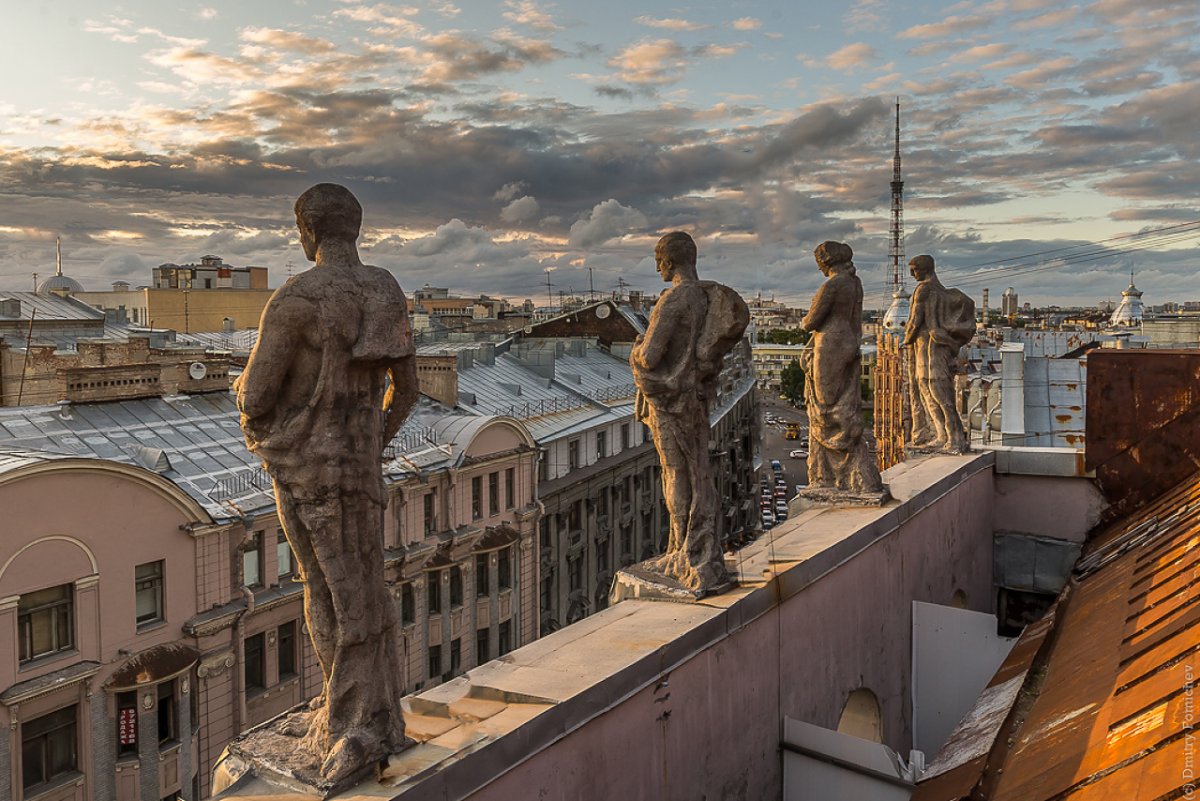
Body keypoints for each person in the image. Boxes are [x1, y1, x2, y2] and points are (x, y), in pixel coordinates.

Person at [235, 183, 416, 782]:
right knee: (365, 582)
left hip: (308, 472)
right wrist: (376, 442)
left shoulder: (296, 300)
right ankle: (375, 713)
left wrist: (239, 392)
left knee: (328, 589)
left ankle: (350, 724)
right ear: (355, 230)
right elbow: (408, 391)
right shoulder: (385, 288)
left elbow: (259, 396)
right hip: (361, 468)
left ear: (305, 231)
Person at [630, 231, 747, 594]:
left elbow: (650, 356)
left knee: (676, 472)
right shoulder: (703, 296)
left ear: (671, 260)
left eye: (658, 258)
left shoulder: (673, 301)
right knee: (696, 470)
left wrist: (634, 350)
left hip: (669, 400)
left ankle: (683, 550)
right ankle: (693, 548)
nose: (656, 265)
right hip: (693, 397)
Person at [800, 241, 884, 494]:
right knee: (843, 400)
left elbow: (810, 322)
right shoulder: (854, 283)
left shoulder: (832, 285)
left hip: (830, 345)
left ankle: (831, 473)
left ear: (826, 260)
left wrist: (804, 320)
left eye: (819, 261)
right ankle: (844, 469)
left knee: (825, 407)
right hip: (849, 342)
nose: (818, 267)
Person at [903, 254, 975, 453]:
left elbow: (915, 321)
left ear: (925, 269)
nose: (912, 273)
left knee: (937, 392)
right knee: (929, 391)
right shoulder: (938, 290)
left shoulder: (924, 289)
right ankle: (941, 435)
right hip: (930, 347)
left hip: (929, 347)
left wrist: (905, 340)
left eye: (914, 269)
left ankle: (954, 438)